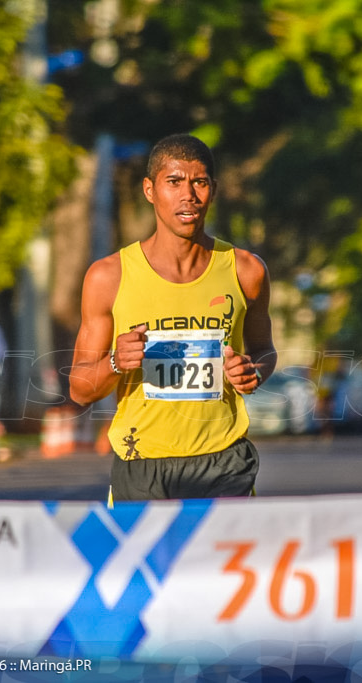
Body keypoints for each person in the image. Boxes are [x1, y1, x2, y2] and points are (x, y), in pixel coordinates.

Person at [69, 133, 277, 502]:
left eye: (199, 183)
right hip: (143, 461)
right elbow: (80, 388)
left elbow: (264, 352)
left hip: (224, 461)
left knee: (219, 562)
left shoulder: (246, 271)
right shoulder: (108, 276)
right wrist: (117, 361)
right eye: (174, 182)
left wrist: (253, 372)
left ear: (212, 189)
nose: (189, 196)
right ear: (150, 189)